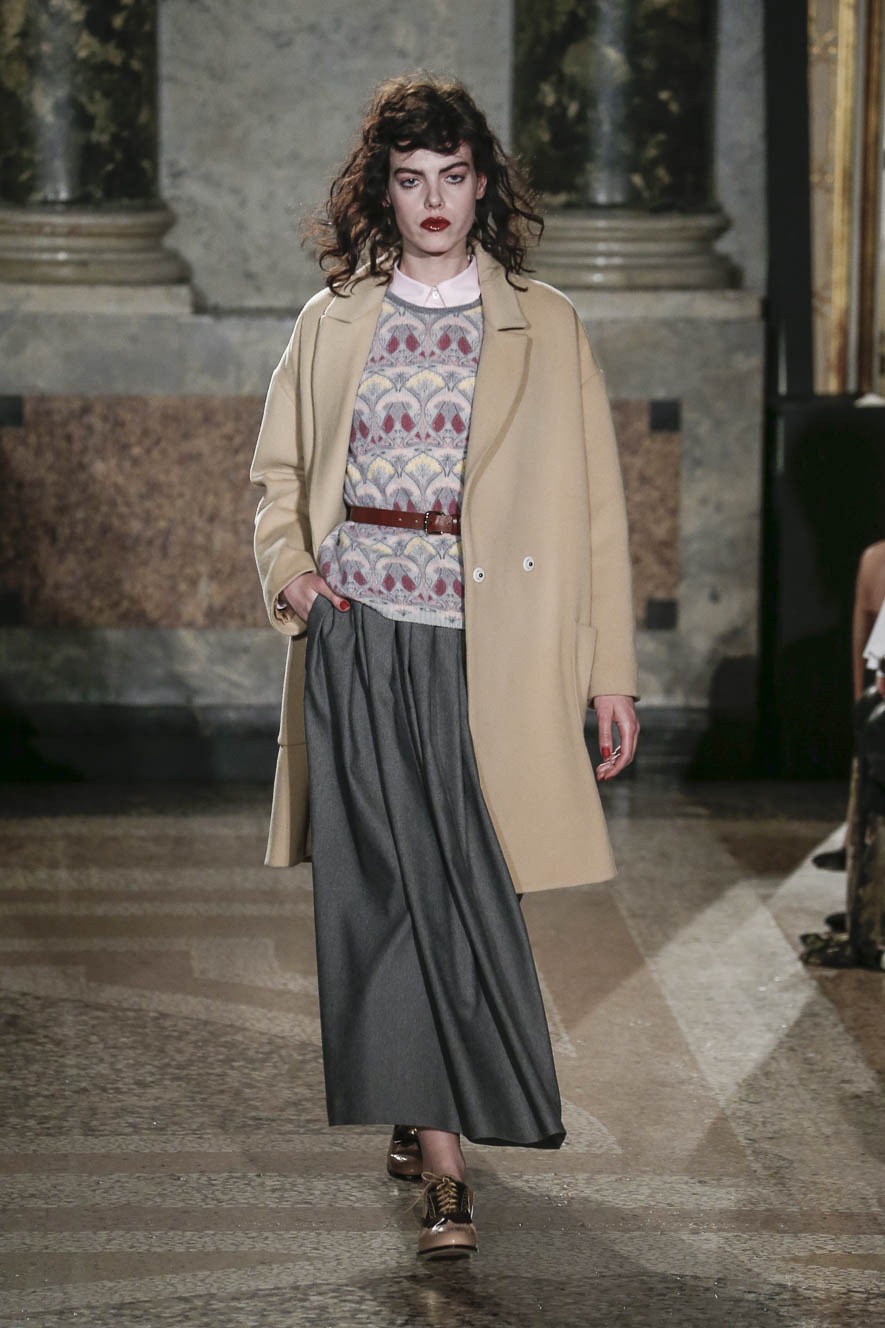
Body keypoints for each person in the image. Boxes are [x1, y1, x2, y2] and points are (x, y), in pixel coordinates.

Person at [250, 73, 639, 1261]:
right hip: (362, 635)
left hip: (491, 653)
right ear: (382, 189)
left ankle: (420, 1093)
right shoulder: (332, 321)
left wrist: (609, 673)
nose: (432, 200)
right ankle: (445, 1167)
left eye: (453, 177)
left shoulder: (546, 325)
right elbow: (278, 475)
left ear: (483, 186)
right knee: (382, 891)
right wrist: (293, 573)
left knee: (469, 892)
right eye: (410, 179)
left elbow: (599, 512)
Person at [803, 541, 885, 968]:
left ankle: (869, 923)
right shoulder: (875, 560)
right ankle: (868, 919)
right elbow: (868, 643)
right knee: (873, 805)